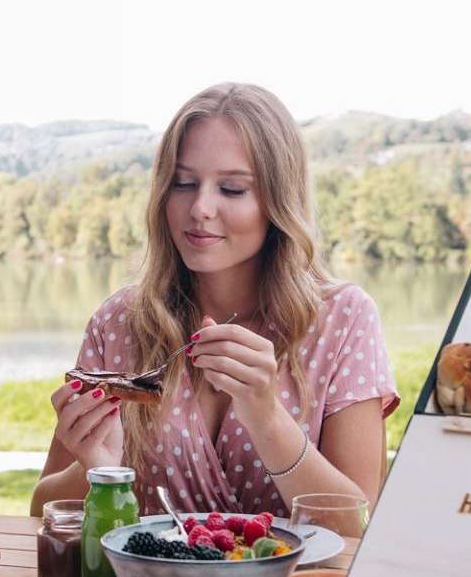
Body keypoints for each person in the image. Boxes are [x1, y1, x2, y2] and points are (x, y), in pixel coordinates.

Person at [31, 83, 400, 520]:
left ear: (277, 200)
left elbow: (355, 525)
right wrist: (98, 471)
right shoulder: (119, 322)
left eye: (232, 189)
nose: (200, 208)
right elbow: (42, 513)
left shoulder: (344, 318)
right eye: (184, 183)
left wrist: (267, 419)